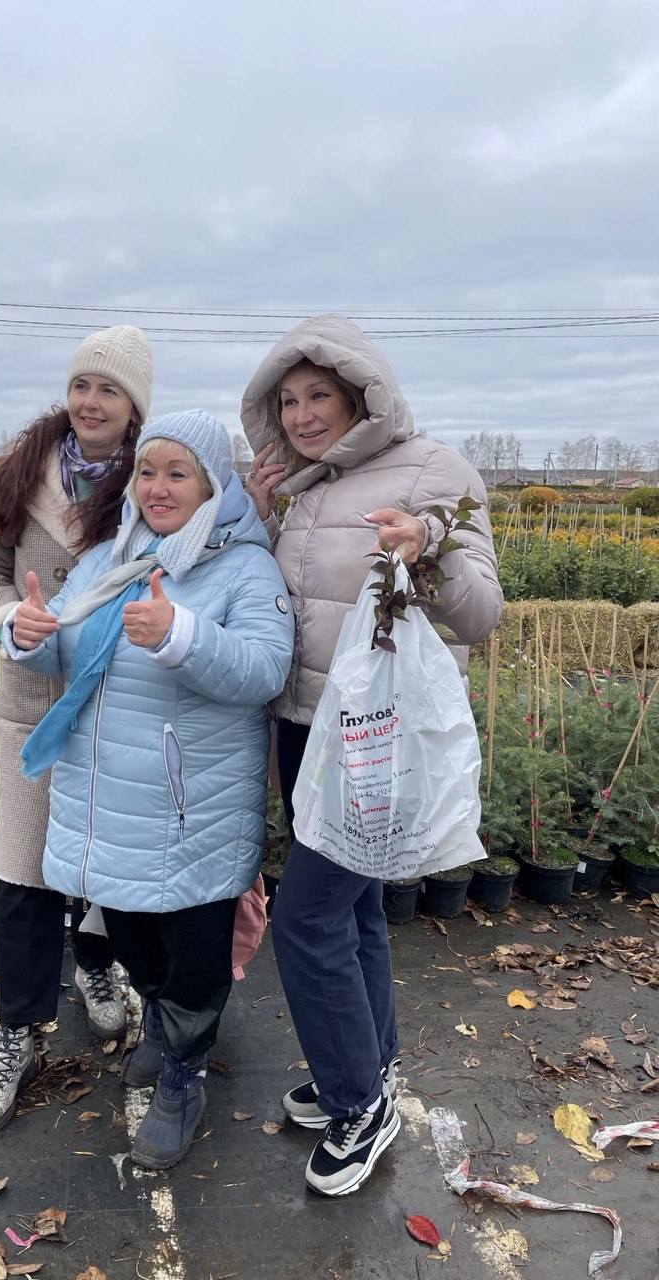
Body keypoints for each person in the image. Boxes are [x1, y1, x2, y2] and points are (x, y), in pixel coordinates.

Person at [241, 314, 502, 1196]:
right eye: (288, 400)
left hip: (371, 742)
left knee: (306, 920)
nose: (303, 415)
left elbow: (482, 616)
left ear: (365, 394)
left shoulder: (436, 472)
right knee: (351, 914)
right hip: (300, 730)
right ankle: (370, 1066)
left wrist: (429, 553)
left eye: (320, 395)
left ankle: (359, 1104)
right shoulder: (301, 484)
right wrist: (259, 515)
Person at [4, 410, 294, 1169]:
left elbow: (266, 669)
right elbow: (67, 648)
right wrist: (26, 634)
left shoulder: (244, 568)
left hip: (190, 807)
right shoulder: (112, 556)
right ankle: (165, 1024)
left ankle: (183, 1070)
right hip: (110, 804)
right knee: (130, 935)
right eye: (147, 472)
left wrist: (180, 636)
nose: (158, 488)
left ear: (213, 486)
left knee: (193, 952)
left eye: (177, 473)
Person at [0, 325, 153, 1138]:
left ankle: (99, 972)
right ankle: (17, 1032)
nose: (91, 402)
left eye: (109, 389)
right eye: (82, 385)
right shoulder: (17, 473)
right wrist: (11, 618)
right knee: (26, 871)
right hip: (33, 704)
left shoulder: (155, 480)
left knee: (106, 862)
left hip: (117, 703)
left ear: (135, 405)